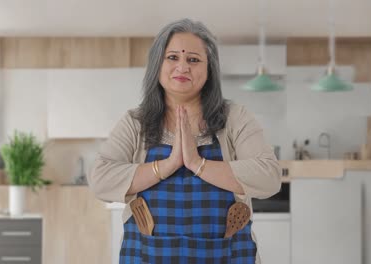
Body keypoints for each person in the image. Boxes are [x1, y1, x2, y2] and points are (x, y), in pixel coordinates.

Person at [88, 18, 281, 264]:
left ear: (209, 69)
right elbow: (100, 180)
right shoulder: (135, 122)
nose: (182, 67)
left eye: (193, 59)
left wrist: (198, 164)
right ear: (157, 64)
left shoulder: (235, 118)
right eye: (172, 57)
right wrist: (167, 166)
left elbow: (270, 177)